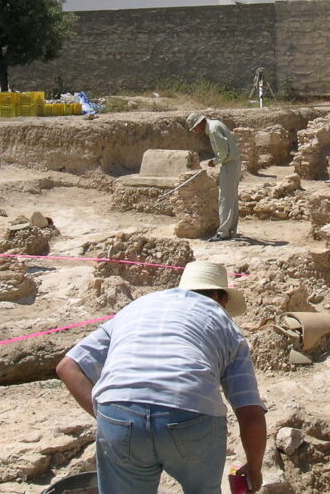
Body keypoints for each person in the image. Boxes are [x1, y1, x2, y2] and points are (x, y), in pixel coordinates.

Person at [56, 260, 267, 494]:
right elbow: (251, 415)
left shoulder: (138, 307)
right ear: (220, 297)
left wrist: (111, 418)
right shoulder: (225, 325)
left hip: (119, 410)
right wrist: (255, 469)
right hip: (191, 413)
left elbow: (68, 367)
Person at [187, 112, 241, 241]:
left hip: (229, 163)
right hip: (233, 162)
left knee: (225, 197)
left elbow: (223, 152)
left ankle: (223, 232)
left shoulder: (213, 128)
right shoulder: (215, 124)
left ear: (200, 123)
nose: (195, 130)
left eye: (195, 127)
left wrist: (214, 162)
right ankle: (230, 230)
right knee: (231, 197)